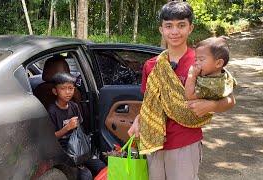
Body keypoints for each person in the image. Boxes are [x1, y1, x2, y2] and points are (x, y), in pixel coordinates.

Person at [128, 1, 236, 180]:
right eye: (169, 26)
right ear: (161, 29)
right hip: (153, 141)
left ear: (190, 28)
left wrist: (211, 105)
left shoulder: (203, 61)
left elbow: (231, 100)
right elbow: (149, 102)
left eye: (181, 25)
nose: (175, 31)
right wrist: (138, 120)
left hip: (184, 142)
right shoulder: (152, 65)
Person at [47, 72, 105, 180]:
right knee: (86, 175)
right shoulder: (52, 111)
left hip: (78, 145)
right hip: (64, 150)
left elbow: (80, 128)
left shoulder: (74, 106)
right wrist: (66, 128)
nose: (68, 92)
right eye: (63, 89)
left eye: (71, 88)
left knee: (101, 167)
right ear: (55, 91)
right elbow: (50, 138)